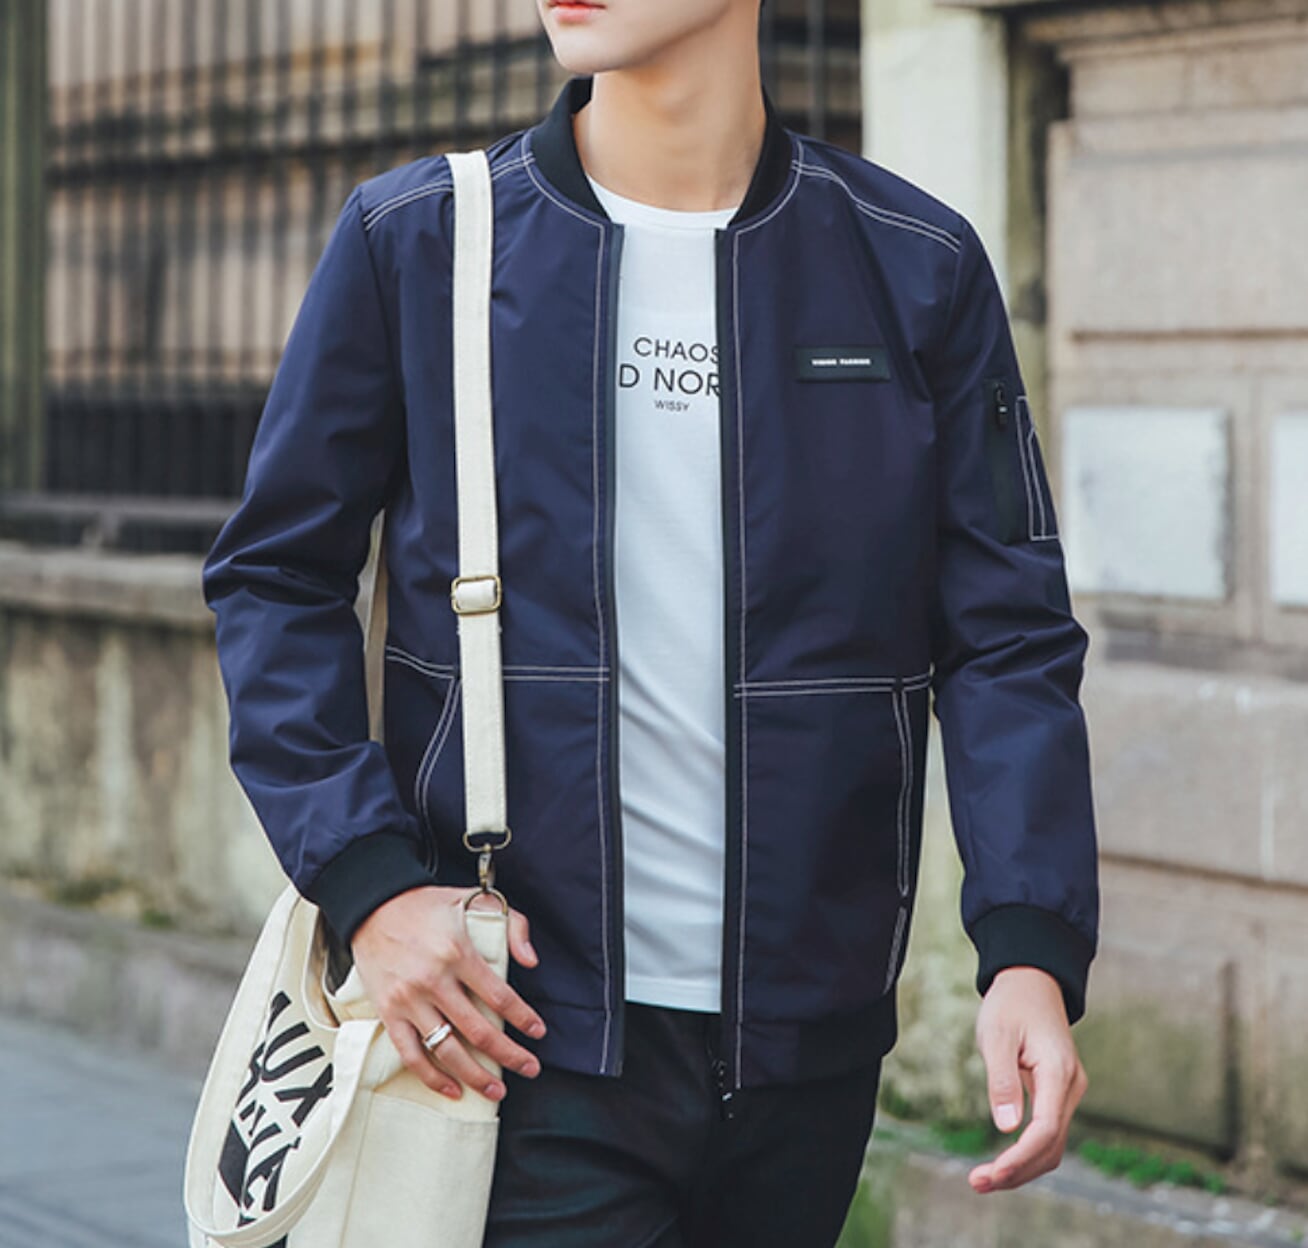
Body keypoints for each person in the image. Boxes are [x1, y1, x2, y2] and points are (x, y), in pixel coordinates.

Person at [201, 0, 1099, 1243]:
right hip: (522, 1036)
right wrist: (371, 886)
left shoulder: (913, 264)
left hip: (809, 1050)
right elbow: (275, 577)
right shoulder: (422, 240)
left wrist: (1029, 948)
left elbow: (1007, 637)